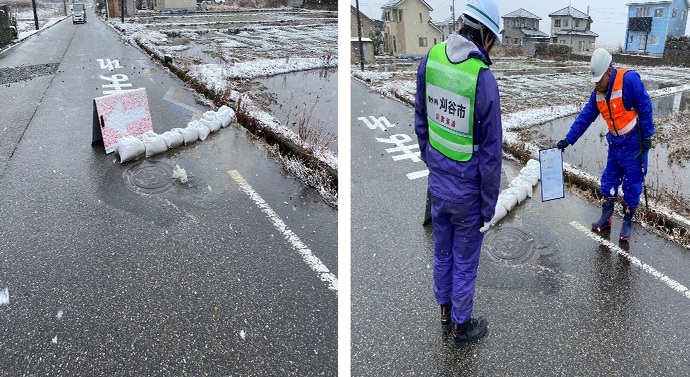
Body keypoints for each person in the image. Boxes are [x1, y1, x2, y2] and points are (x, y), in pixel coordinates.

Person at [414, 0, 502, 349]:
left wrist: (432, 161)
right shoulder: (482, 80)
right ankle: (462, 326)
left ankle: (444, 310)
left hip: (438, 182)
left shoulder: (429, 61)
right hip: (467, 192)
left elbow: (421, 119)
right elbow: (492, 156)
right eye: (492, 40)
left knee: (442, 250)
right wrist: (488, 205)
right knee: (465, 260)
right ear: (484, 35)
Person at [556, 48, 654, 242]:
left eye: (599, 80)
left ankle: (627, 220)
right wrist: (568, 139)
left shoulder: (629, 81)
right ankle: (606, 216)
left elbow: (645, 105)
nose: (596, 84)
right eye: (594, 80)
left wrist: (647, 137)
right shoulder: (598, 94)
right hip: (616, 144)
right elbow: (585, 117)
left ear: (610, 71)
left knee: (632, 186)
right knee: (608, 180)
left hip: (634, 144)